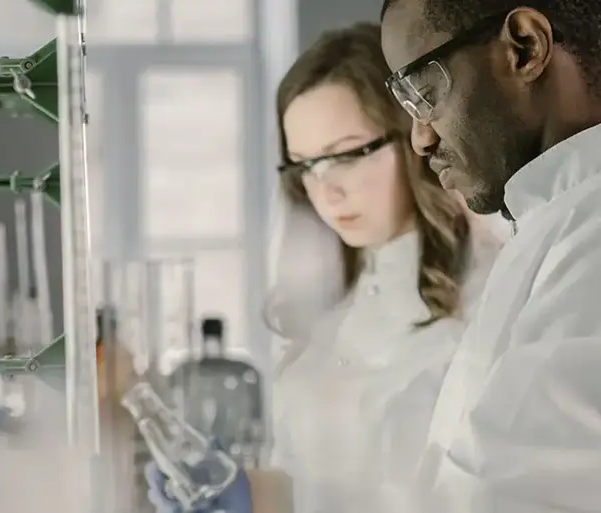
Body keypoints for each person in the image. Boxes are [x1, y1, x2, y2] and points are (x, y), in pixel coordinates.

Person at [144, 23, 503, 513]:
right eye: (306, 164)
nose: (326, 191)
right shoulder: (330, 315)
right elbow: (326, 486)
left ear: (413, 134)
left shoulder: (492, 297)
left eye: (349, 154)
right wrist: (251, 492)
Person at [379, 1, 601, 512]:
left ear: (525, 46)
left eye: (423, 93)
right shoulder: (551, 224)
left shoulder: (589, 237)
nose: (420, 137)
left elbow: (510, 497)